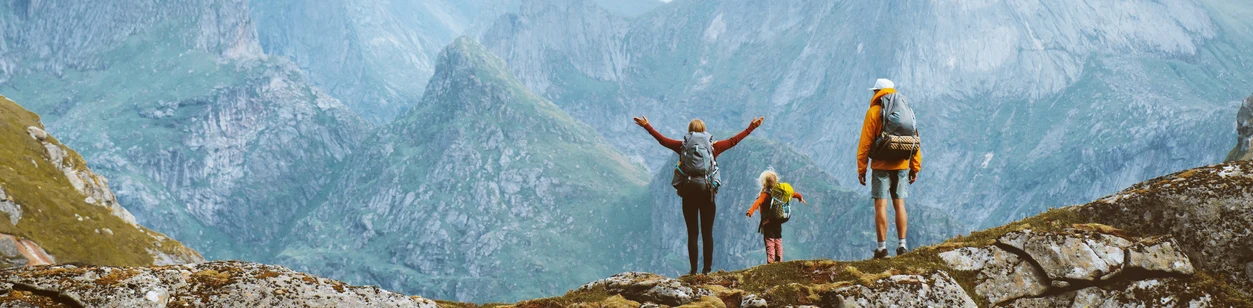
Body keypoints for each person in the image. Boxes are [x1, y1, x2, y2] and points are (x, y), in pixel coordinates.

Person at [634, 115, 764, 275]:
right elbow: (733, 141)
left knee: (692, 233)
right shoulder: (713, 148)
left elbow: (663, 141)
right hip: (707, 193)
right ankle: (707, 270)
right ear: (704, 131)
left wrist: (647, 126)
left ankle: (693, 270)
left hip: (688, 193)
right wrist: (752, 127)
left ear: (689, 132)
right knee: (707, 232)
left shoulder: (683, 147)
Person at [856, 78, 922, 259]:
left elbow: (865, 143)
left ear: (877, 92)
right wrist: (914, 167)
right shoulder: (906, 110)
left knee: (881, 205)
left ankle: (882, 248)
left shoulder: (874, 112)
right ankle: (902, 245)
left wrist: (861, 169)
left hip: (880, 165)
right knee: (899, 204)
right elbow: (914, 139)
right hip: (902, 164)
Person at [745, 170, 806, 264]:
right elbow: (792, 194)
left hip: (767, 222)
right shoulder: (779, 194)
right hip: (778, 221)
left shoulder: (765, 194)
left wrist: (750, 211)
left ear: (764, 183)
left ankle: (771, 261)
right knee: (778, 240)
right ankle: (779, 260)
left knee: (769, 241)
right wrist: (800, 197)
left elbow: (758, 202)